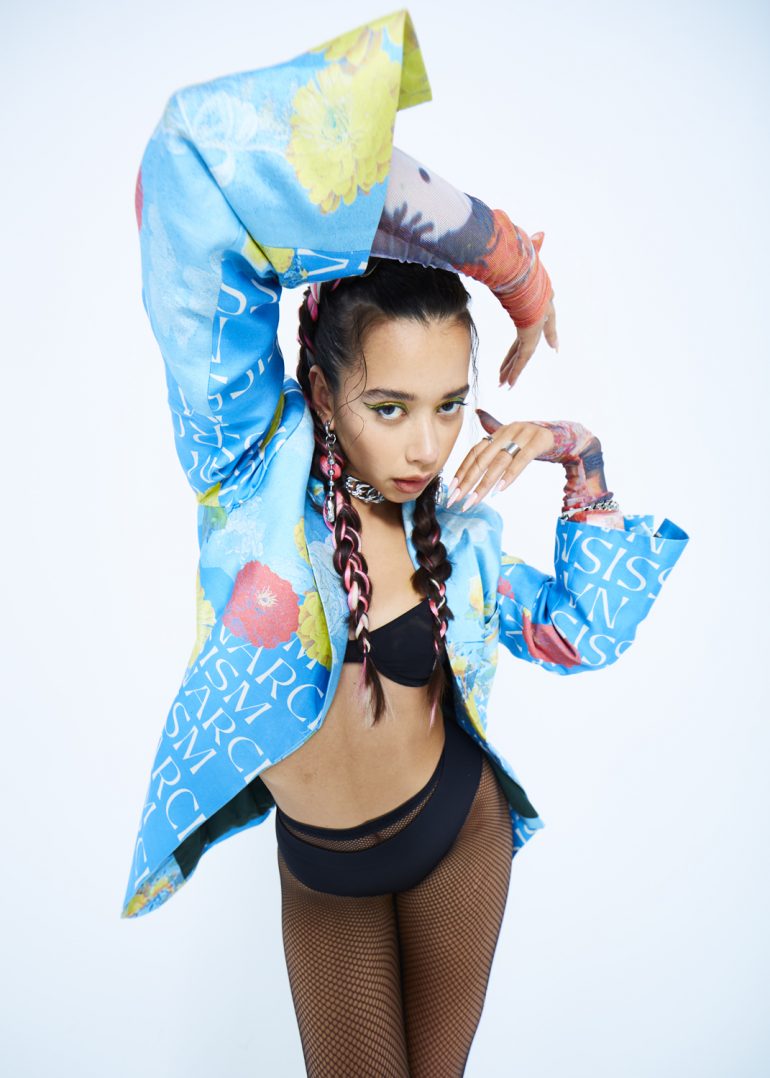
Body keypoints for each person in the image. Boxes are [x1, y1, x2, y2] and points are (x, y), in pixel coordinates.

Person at [120, 10, 689, 1076]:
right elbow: (194, 152)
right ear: (320, 389)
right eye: (389, 407)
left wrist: (577, 456)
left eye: (448, 405)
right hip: (323, 873)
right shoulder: (247, 479)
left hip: (456, 838)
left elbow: (584, 636)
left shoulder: (462, 543)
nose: (427, 445)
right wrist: (510, 266)